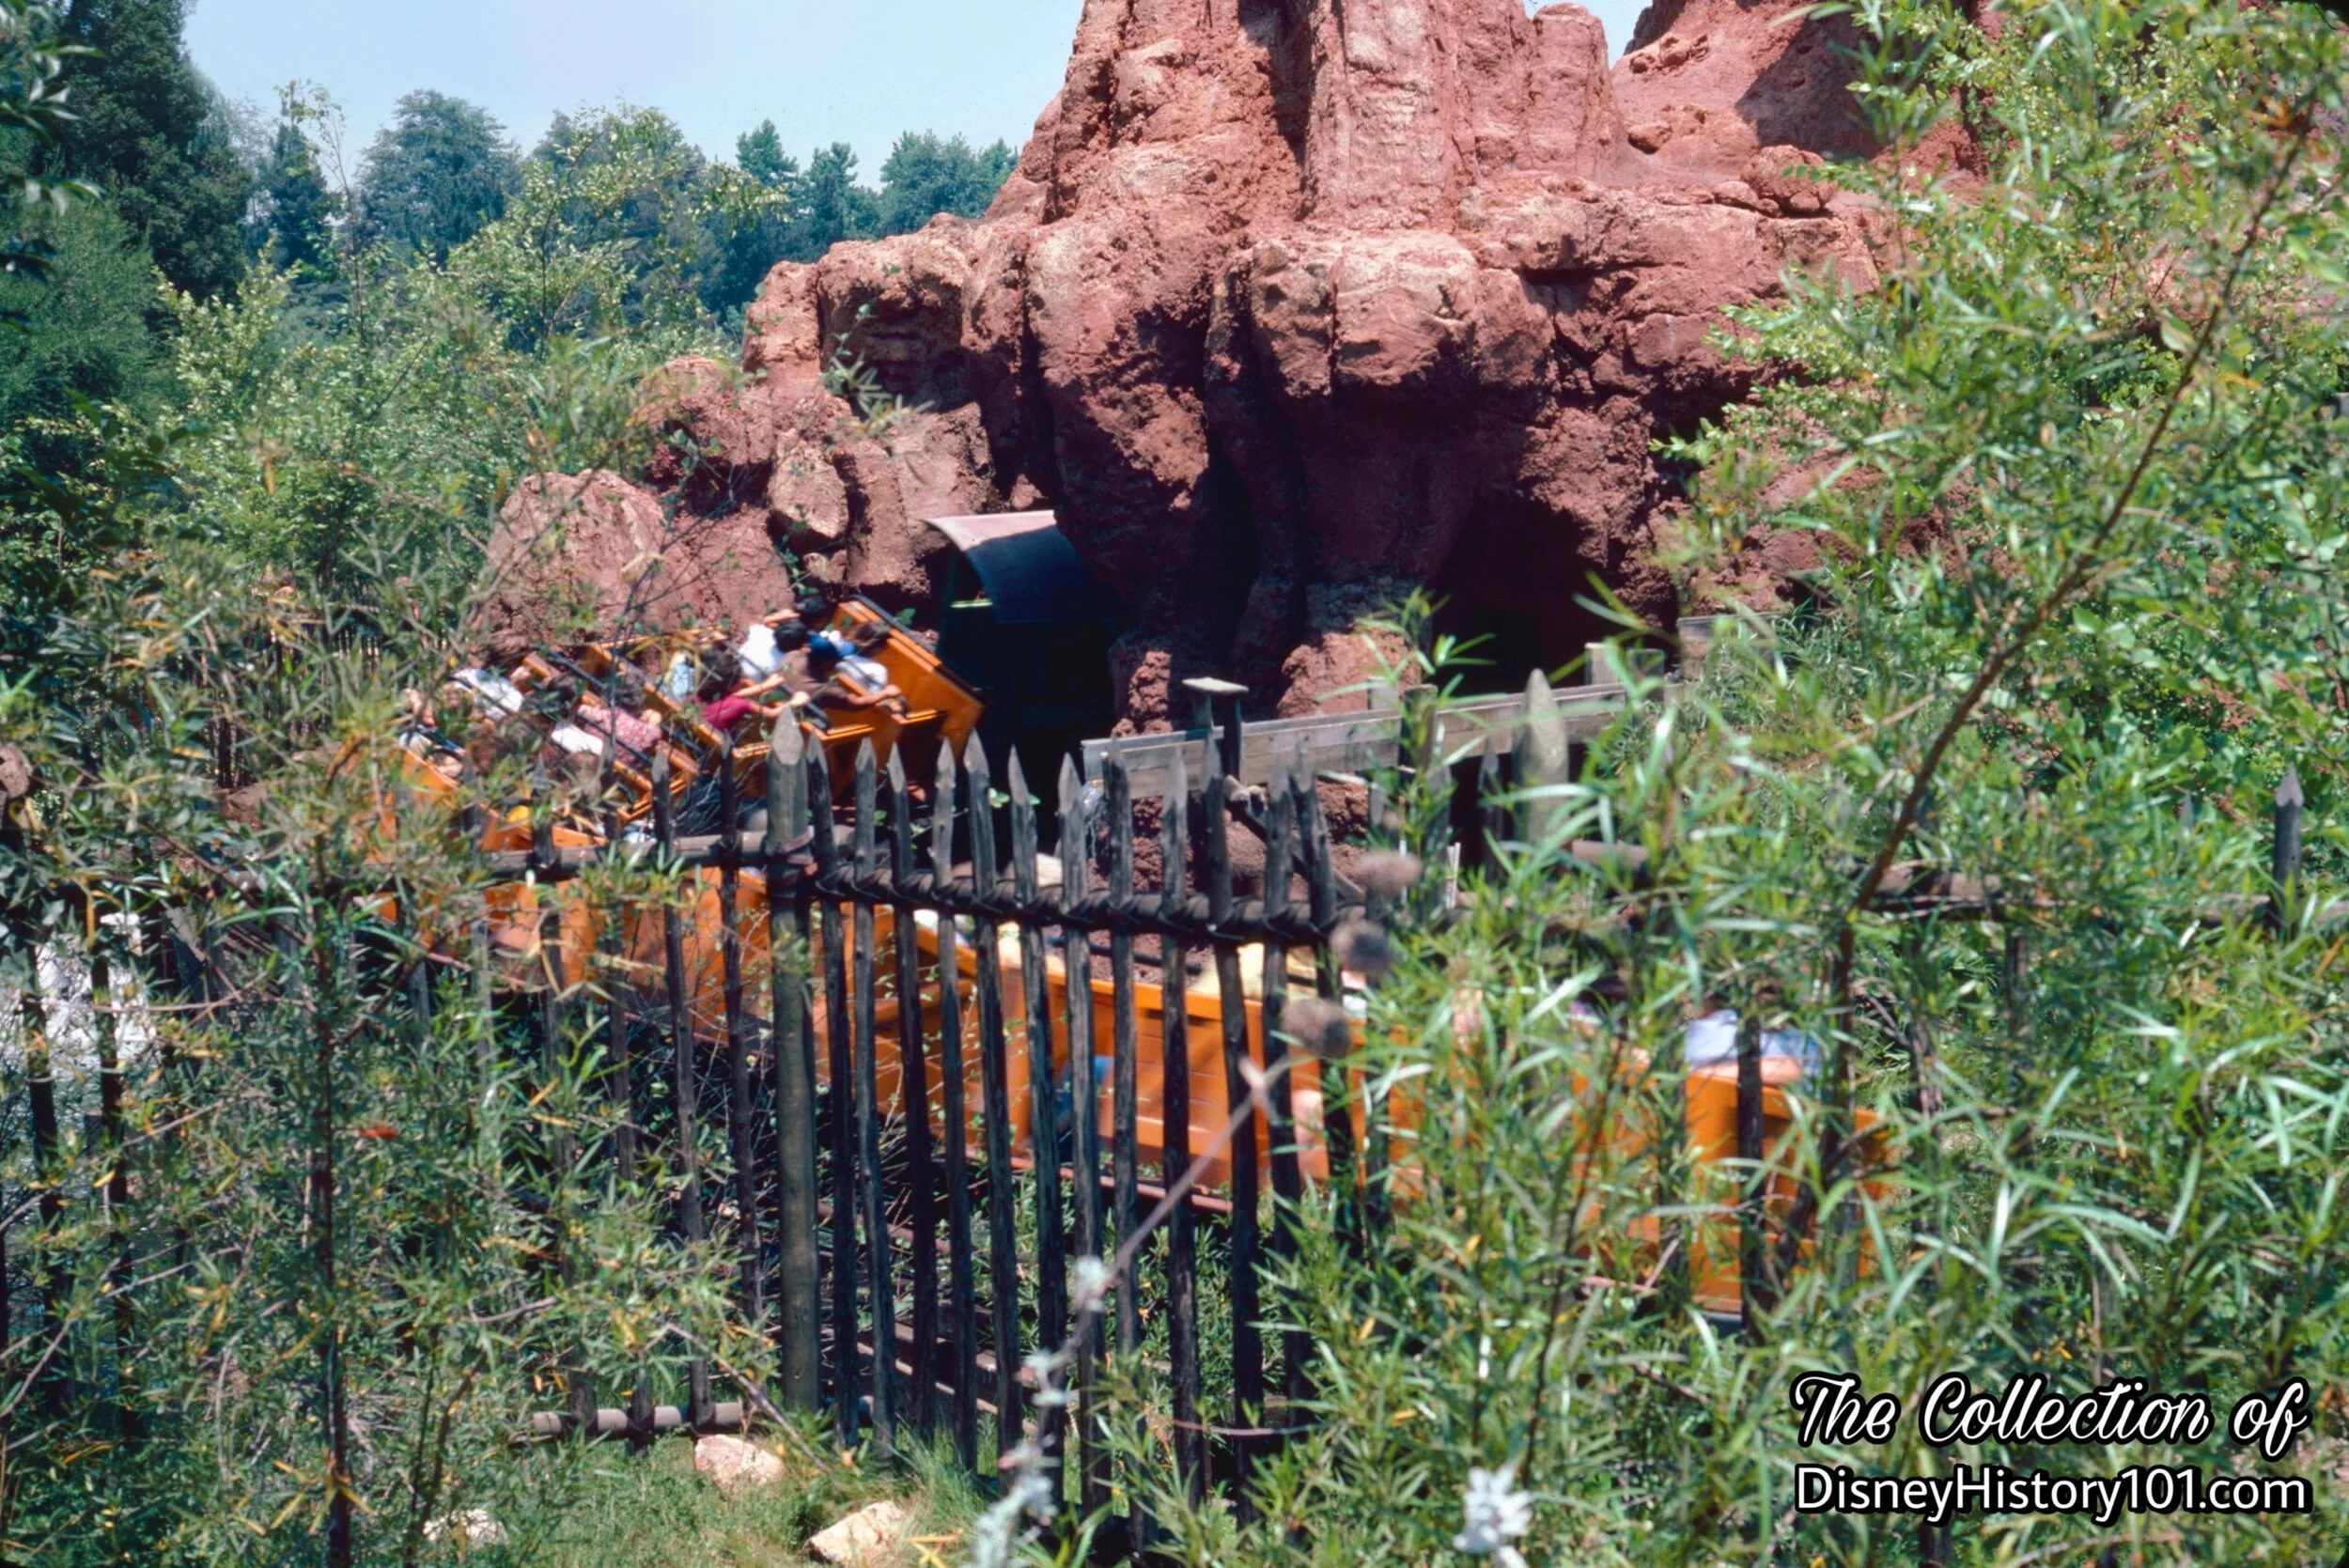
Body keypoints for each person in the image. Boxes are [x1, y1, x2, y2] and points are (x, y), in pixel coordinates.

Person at [574, 668, 662, 764]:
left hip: (579, 763)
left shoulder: (589, 714)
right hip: (611, 772)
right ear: (639, 699)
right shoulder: (646, 732)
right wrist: (653, 719)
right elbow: (655, 730)